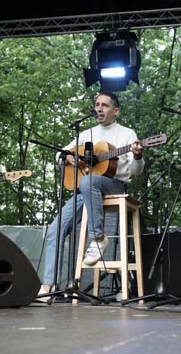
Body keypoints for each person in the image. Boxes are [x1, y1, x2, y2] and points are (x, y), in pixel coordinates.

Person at [40, 91, 144, 295]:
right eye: (97, 104)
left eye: (104, 105)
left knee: (88, 180)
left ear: (116, 111)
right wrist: (68, 158)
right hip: (85, 189)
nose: (99, 108)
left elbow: (136, 171)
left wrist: (138, 156)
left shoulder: (127, 134)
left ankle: (98, 239)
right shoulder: (87, 133)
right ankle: (48, 286)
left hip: (114, 185)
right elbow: (60, 154)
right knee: (55, 230)